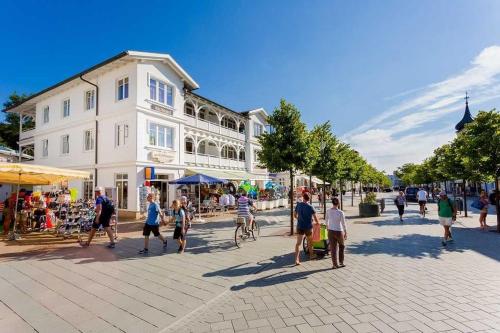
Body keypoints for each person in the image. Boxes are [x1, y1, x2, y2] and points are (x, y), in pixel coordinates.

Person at [294, 192, 320, 265]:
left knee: (298, 243)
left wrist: (299, 219)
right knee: (310, 241)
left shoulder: (298, 205)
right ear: (309, 198)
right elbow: (316, 219)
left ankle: (296, 260)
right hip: (308, 227)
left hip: (300, 226)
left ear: (303, 197)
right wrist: (318, 223)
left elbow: (295, 215)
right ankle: (311, 255)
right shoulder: (311, 207)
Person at [326, 197, 347, 269]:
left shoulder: (328, 211)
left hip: (331, 231)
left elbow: (326, 220)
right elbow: (343, 223)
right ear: (338, 203)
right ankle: (341, 262)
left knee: (333, 248)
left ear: (332, 203)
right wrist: (345, 232)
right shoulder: (341, 212)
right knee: (342, 246)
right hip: (339, 231)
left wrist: (327, 228)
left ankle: (335, 264)